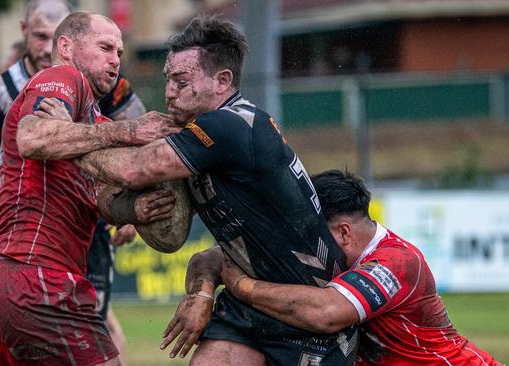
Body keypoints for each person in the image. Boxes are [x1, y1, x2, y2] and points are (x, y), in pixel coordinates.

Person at [71, 16, 358, 365]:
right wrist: (202, 294)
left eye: (181, 81)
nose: (169, 92)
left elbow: (133, 171)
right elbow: (181, 241)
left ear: (222, 81)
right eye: (168, 80)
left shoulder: (232, 124)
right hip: (248, 305)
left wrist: (61, 138)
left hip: (305, 310)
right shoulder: (197, 138)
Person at [0, 1, 144, 363]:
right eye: (41, 36)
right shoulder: (30, 84)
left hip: (50, 250)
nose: (46, 47)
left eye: (118, 51)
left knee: (96, 326)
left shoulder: (108, 91)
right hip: (30, 265)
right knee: (99, 340)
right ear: (30, 34)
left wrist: (130, 205)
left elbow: (133, 153)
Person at [0, 11, 178, 366]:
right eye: (105, 47)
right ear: (66, 46)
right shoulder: (62, 77)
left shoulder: (90, 125)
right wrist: (127, 131)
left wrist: (134, 212)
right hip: (32, 276)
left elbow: (102, 197)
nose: (114, 60)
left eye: (119, 53)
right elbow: (32, 137)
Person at [189, 169, 498, 365]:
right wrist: (202, 296)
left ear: (344, 233)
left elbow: (327, 313)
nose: (305, 244)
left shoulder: (396, 263)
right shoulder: (333, 258)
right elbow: (213, 257)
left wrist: (243, 286)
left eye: (312, 235)